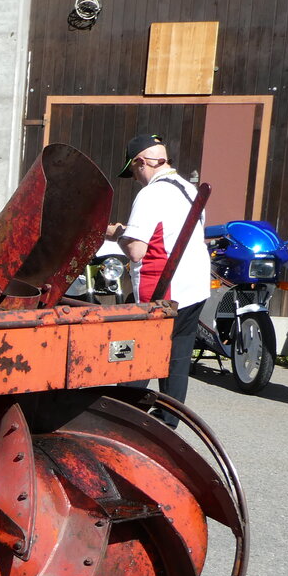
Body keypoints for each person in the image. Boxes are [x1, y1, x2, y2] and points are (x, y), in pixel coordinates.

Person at [106, 133, 210, 426]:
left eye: (134, 171)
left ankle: (120, 419)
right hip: (195, 287)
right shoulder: (188, 189)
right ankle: (168, 421)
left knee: (137, 357)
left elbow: (137, 251)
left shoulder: (151, 194)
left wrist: (117, 235)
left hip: (164, 290)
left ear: (140, 162)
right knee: (177, 357)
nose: (136, 178)